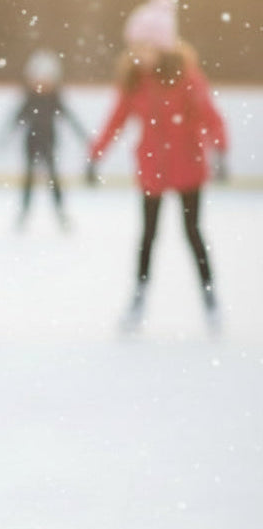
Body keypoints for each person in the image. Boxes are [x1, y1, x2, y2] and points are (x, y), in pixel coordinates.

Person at [88, 0, 228, 333]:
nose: (137, 53)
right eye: (133, 46)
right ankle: (138, 299)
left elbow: (209, 115)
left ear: (162, 46)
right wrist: (96, 154)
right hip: (152, 168)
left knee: (192, 233)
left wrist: (220, 150)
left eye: (144, 45)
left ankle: (210, 299)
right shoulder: (134, 80)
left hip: (189, 167)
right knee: (148, 236)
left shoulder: (187, 78)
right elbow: (116, 120)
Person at [1, 48, 88, 230]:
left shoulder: (55, 98)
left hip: (49, 141)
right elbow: (17, 119)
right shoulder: (29, 98)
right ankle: (24, 214)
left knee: (53, 178)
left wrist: (84, 137)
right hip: (32, 143)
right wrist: (5, 138)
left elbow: (69, 118)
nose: (41, 83)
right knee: (29, 179)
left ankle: (61, 214)